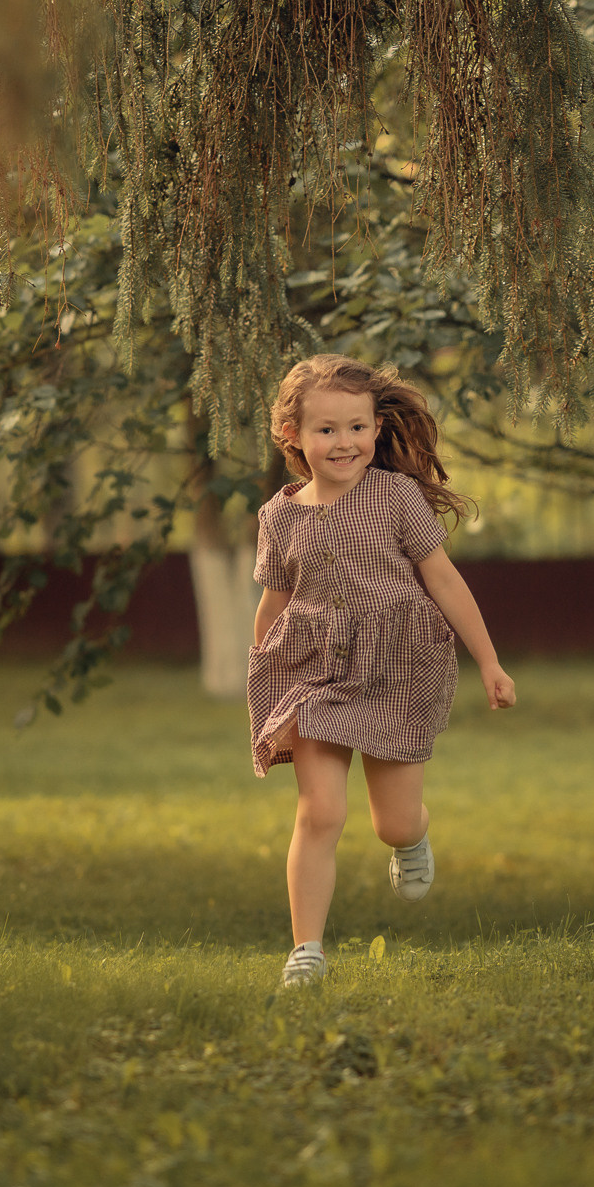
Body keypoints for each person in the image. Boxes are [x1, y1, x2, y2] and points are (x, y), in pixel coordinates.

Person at [248, 354, 516, 988]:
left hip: (398, 670)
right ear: (293, 435)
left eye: (357, 428)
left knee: (391, 823)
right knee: (320, 814)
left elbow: (445, 582)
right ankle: (305, 952)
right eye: (326, 430)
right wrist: (264, 674)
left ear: (376, 428)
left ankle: (413, 837)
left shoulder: (395, 496)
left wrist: (490, 661)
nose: (344, 443)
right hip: (317, 675)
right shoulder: (278, 517)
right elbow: (275, 603)